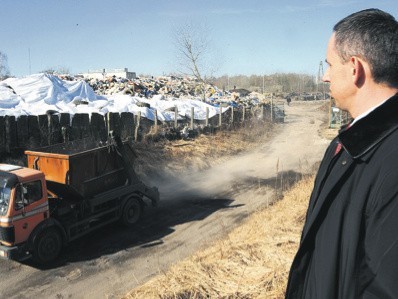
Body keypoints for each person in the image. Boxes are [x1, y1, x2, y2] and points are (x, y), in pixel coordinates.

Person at [285, 8, 398, 299]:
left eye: (329, 64)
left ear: (355, 68)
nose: (324, 77)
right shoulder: (348, 143)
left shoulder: (389, 159)